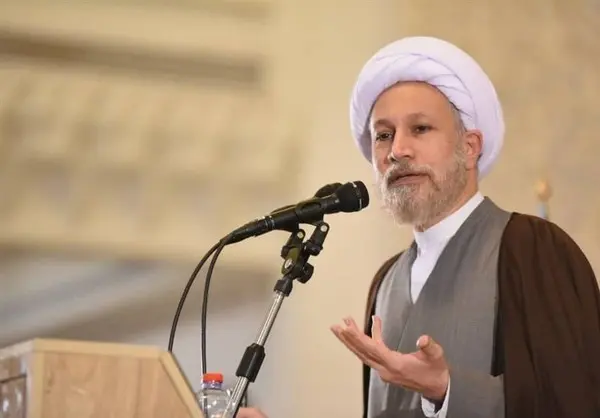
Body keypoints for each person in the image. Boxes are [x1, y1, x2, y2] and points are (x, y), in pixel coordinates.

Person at [236, 36, 600, 418]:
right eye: (384, 135)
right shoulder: (386, 282)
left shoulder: (533, 249)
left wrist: (446, 389)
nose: (398, 151)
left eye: (421, 128)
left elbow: (575, 401)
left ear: (470, 147)